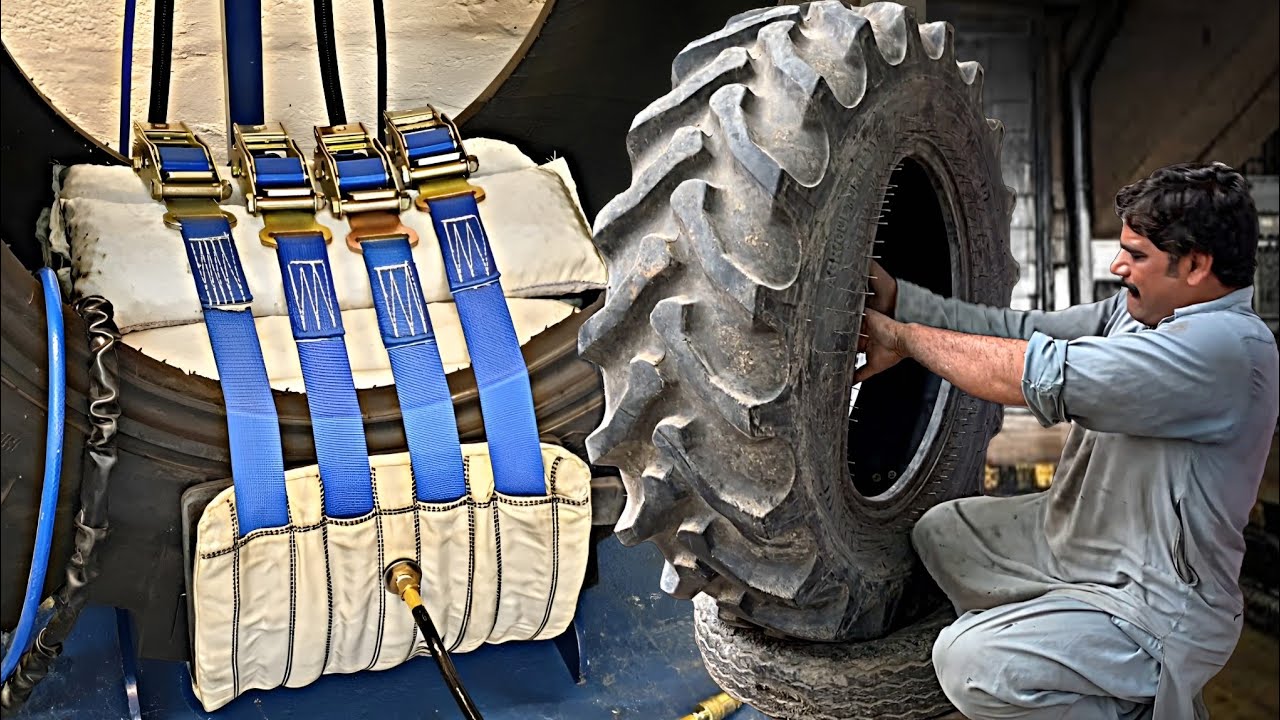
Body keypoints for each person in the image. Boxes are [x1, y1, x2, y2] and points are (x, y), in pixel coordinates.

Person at [857, 161, 1278, 719]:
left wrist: (905, 339)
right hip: (1081, 545)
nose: (1117, 264)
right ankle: (1058, 642)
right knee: (941, 532)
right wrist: (905, 304)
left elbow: (1034, 372)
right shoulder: (1144, 314)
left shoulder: (1224, 352)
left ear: (1197, 265)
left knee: (968, 661)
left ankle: (1127, 699)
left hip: (1153, 601)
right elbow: (1023, 332)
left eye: (1138, 255)